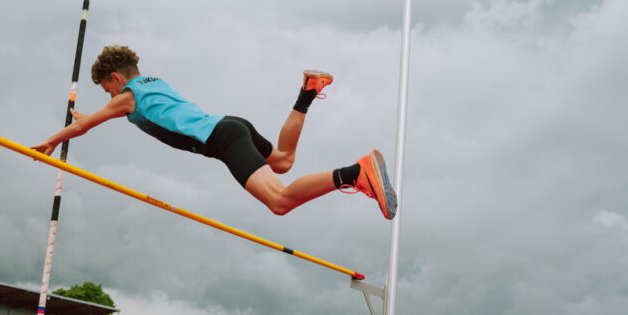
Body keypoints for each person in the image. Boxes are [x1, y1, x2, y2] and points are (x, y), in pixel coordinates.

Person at [33, 46, 396, 220]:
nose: (109, 97)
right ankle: (308, 91)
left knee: (280, 202)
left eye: (106, 89)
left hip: (223, 140)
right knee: (283, 161)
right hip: (231, 125)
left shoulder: (128, 97)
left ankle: (355, 172)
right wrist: (85, 119)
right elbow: (103, 116)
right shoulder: (149, 84)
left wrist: (53, 139)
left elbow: (93, 122)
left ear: (116, 78)